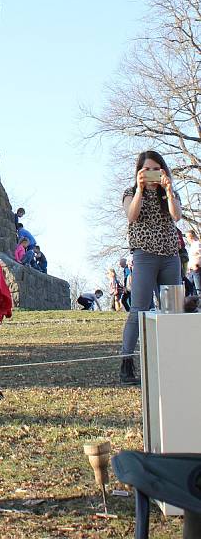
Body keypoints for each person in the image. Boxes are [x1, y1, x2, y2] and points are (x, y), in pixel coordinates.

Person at [119, 150, 182, 385]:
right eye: (147, 170)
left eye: (157, 169)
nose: (152, 174)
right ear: (139, 171)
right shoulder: (131, 193)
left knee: (173, 310)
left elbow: (177, 216)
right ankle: (126, 361)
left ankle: (172, 360)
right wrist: (140, 189)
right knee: (138, 309)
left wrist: (167, 190)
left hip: (169, 255)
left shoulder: (170, 193)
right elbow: (131, 215)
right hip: (144, 255)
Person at [186, 230, 201, 295]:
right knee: (191, 290)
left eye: (187, 237)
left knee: (199, 290)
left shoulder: (198, 244)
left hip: (197, 270)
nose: (187, 239)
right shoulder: (192, 246)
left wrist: (197, 265)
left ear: (190, 237)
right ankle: (195, 304)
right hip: (191, 272)